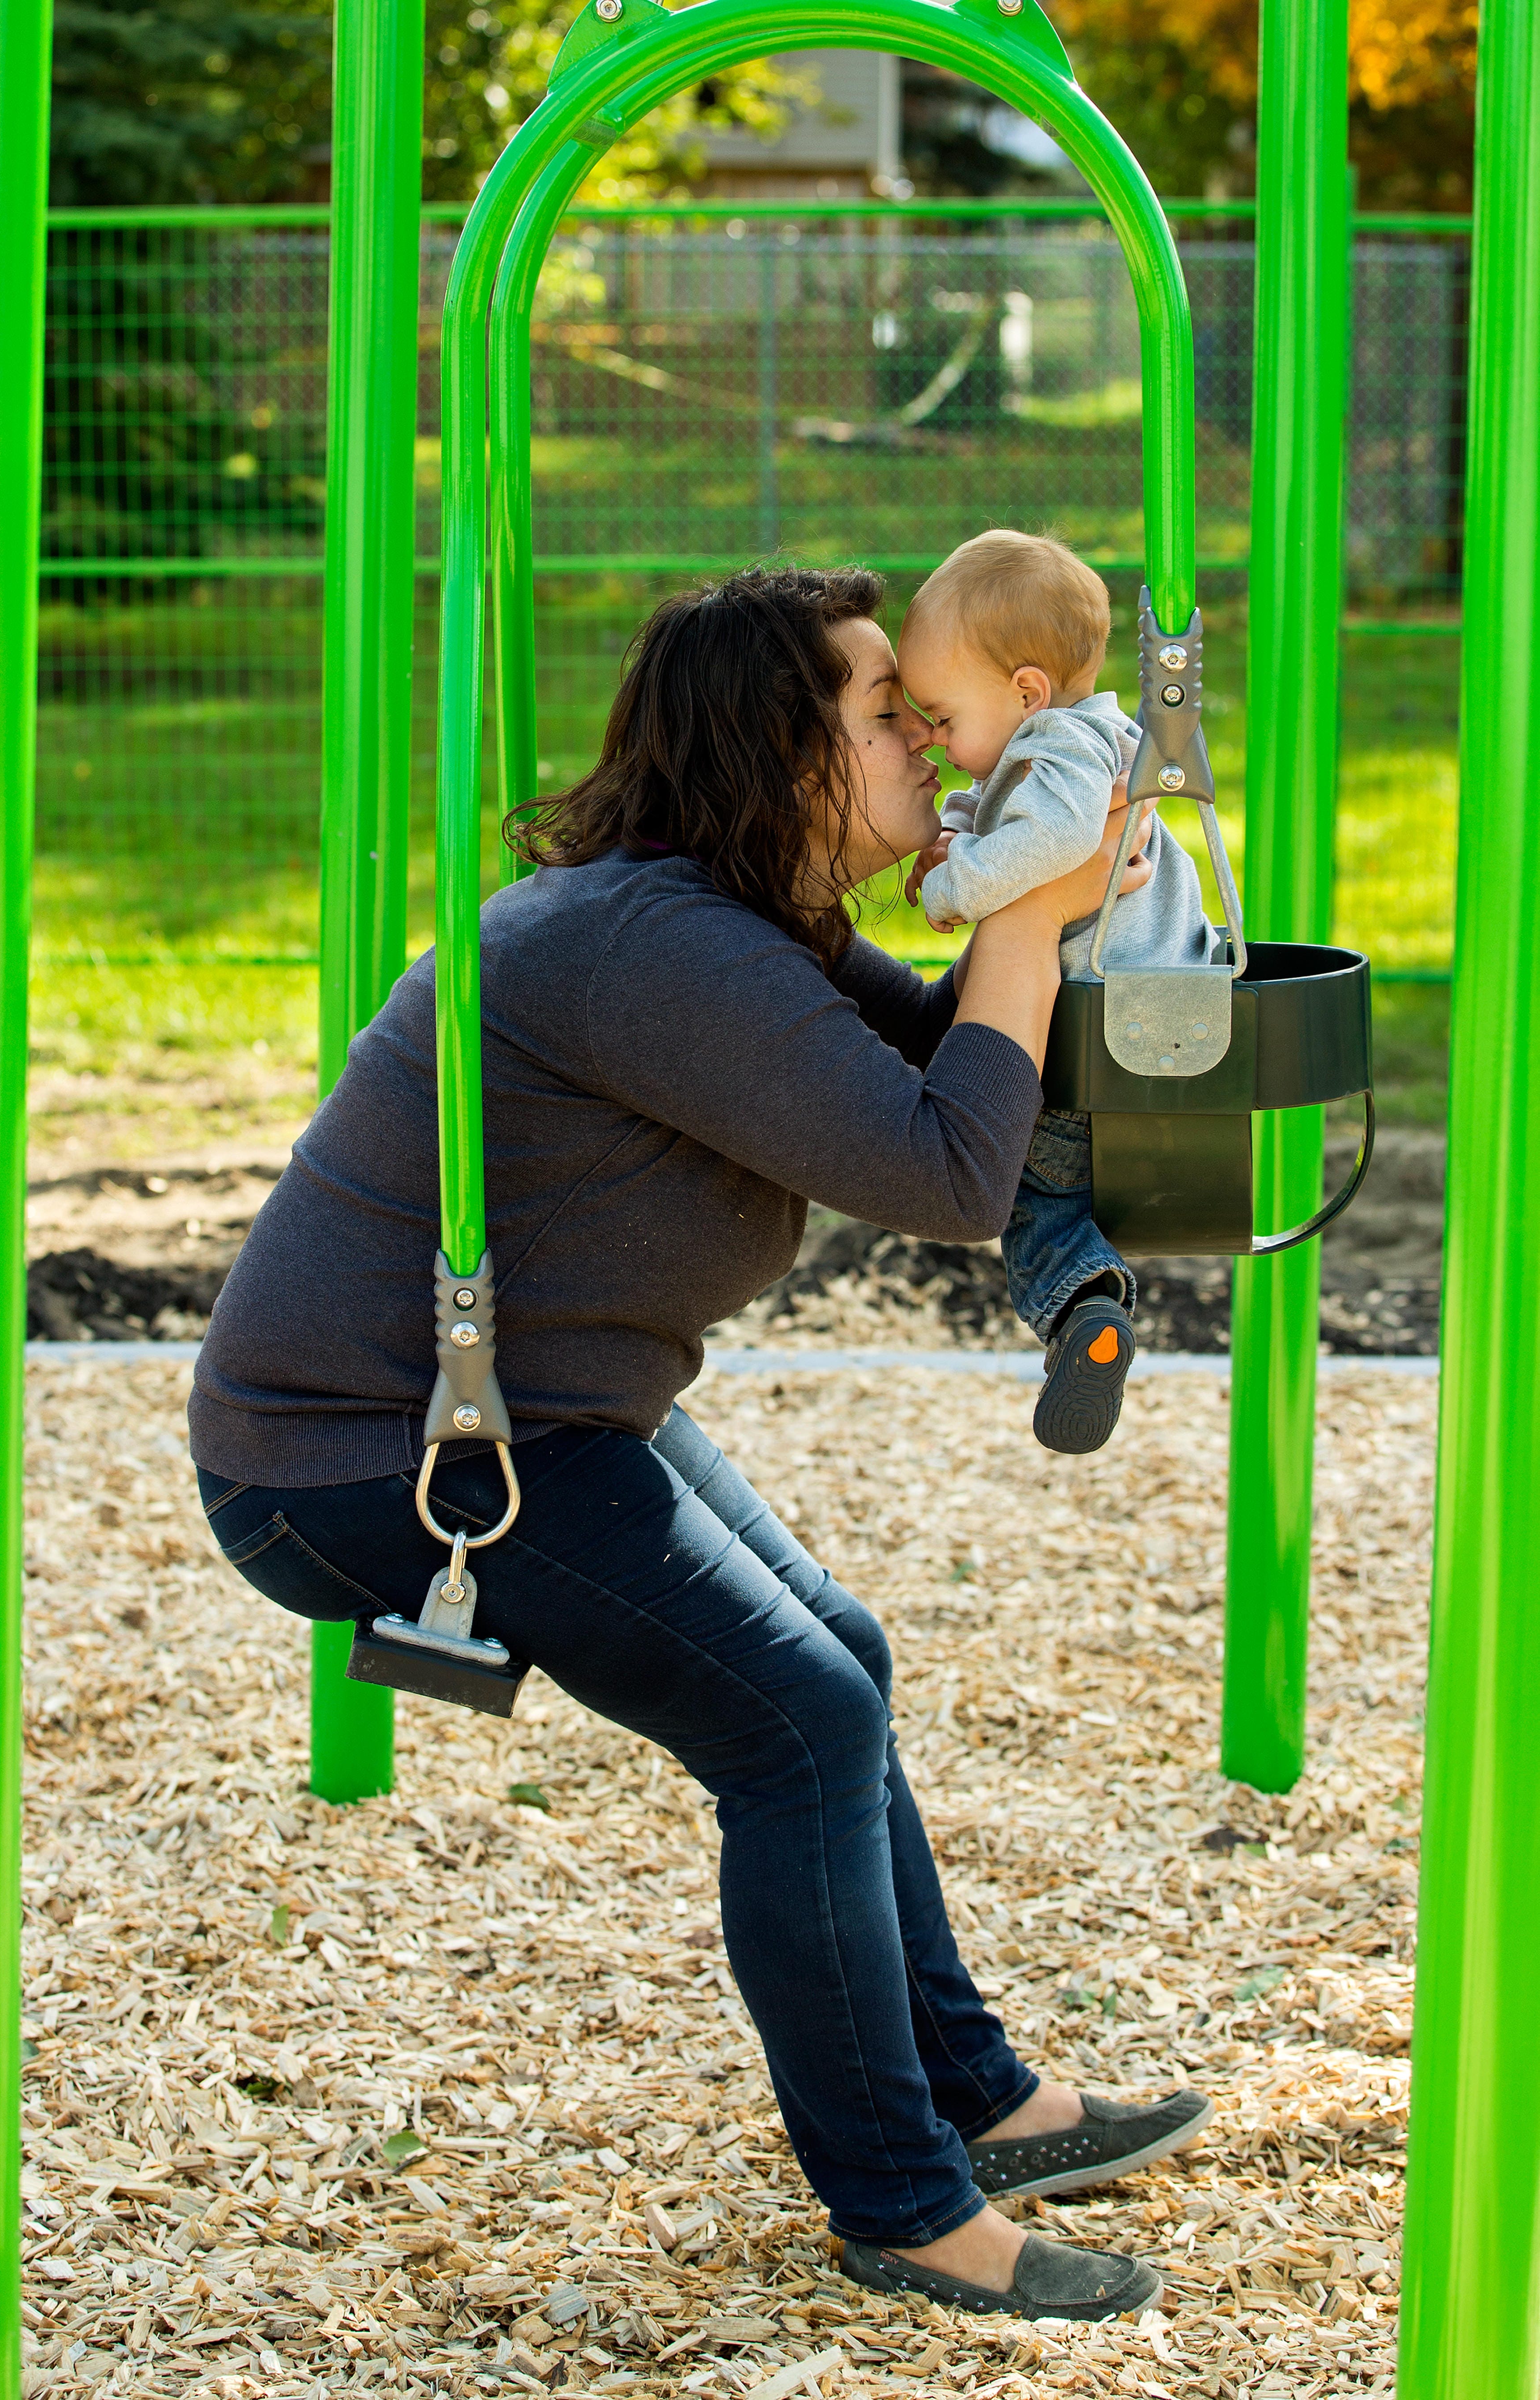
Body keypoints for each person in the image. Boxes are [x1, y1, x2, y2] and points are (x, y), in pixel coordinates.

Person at [189, 566, 1212, 2323]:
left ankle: (986, 2103)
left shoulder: (747, 933)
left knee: (840, 1662)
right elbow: (950, 1177)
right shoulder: (653, 952)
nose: (923, 736)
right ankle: (903, 2209)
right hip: (370, 1454)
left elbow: (979, 1082)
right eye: (883, 709)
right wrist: (1024, 922)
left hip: (542, 1417)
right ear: (776, 751)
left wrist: (1096, 917)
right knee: (793, 1719)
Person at [900, 529, 1224, 1456]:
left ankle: (1086, 1309)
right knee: (1079, 1191)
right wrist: (959, 828)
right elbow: (1004, 805)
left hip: (1092, 1024)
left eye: (941, 716)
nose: (930, 738)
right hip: (1161, 1020)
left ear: (1027, 692)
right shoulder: (1085, 739)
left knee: (1030, 1198)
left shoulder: (1064, 747)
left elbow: (1054, 838)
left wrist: (958, 886)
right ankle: (1094, 1298)